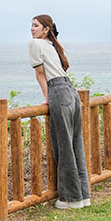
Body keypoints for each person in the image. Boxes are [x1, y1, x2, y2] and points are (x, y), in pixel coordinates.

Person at [28, 15, 90, 210]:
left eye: (36, 25)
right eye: (31, 25)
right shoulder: (52, 45)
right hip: (71, 91)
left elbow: (40, 74)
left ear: (46, 29)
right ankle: (83, 195)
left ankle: (71, 199)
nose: (32, 29)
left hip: (58, 92)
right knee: (75, 142)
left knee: (63, 146)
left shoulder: (35, 44)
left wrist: (47, 99)